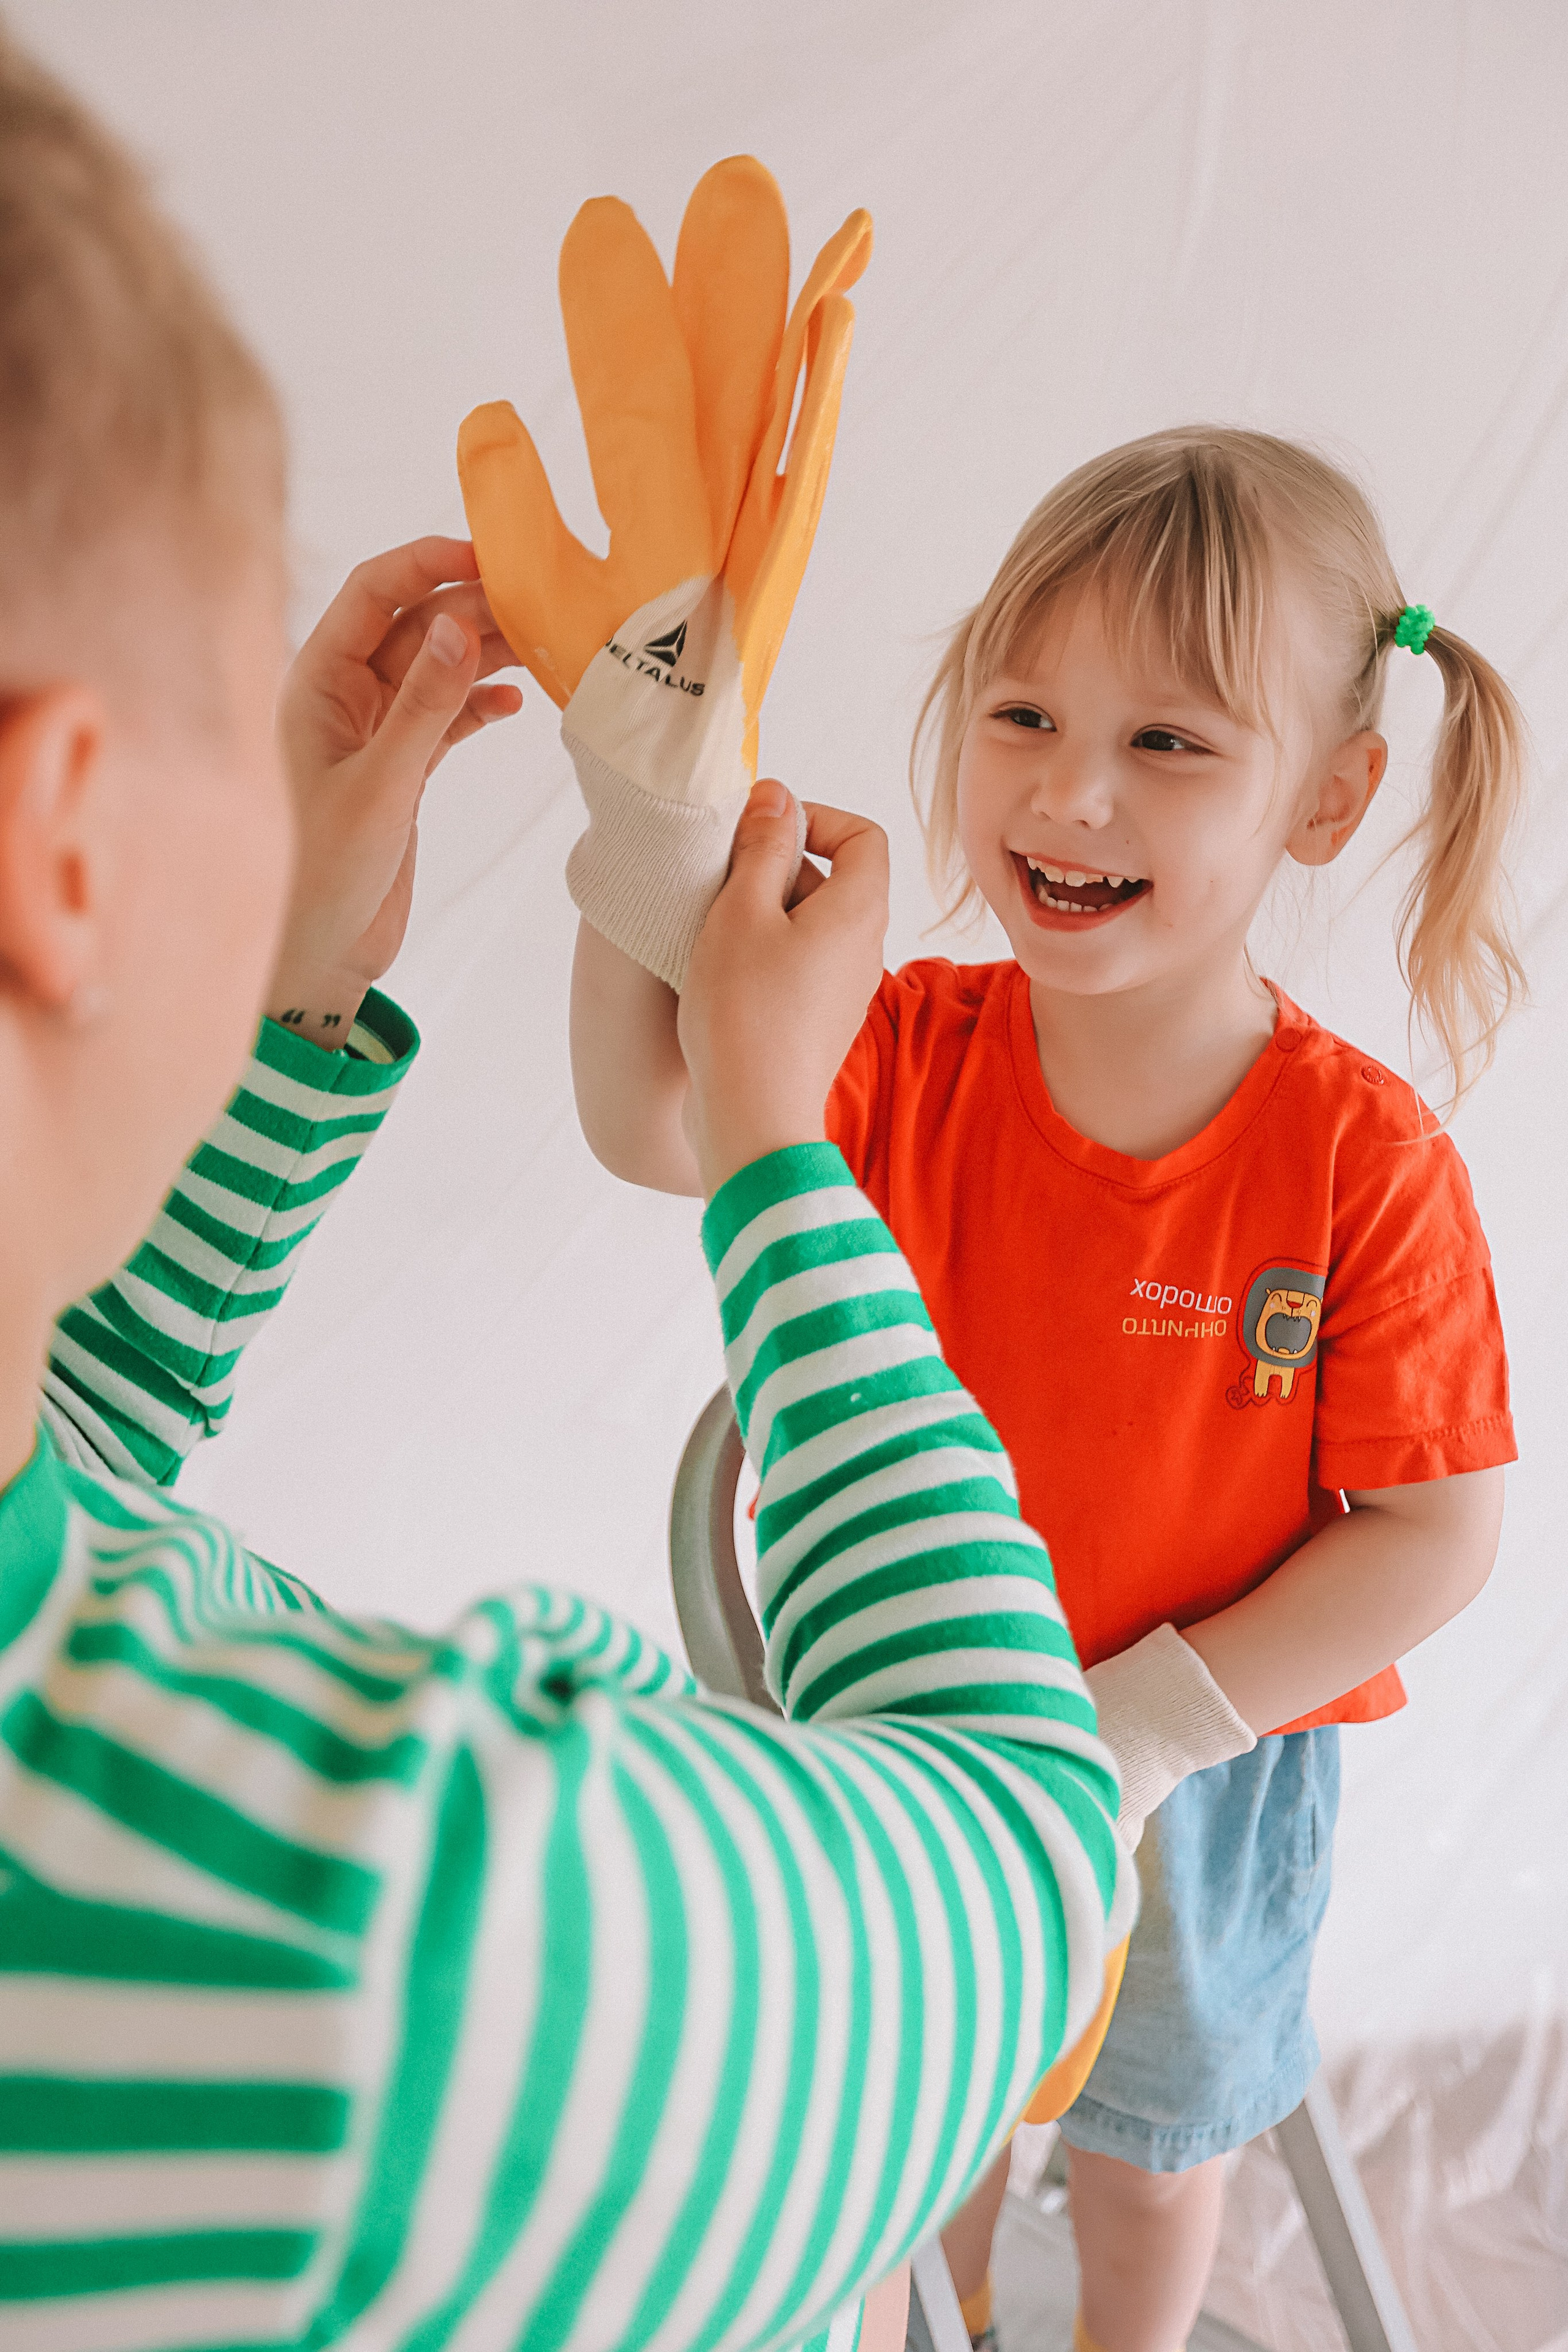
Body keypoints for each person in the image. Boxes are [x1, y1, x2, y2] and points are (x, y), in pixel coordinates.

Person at [0, 28, 1135, 2352]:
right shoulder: (373, 1966)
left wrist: (276, 1019)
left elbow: (70, 1458)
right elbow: (1027, 1869)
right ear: (68, 840)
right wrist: (782, 1158)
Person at [571, 428, 1522, 2352]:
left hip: (1193, 1780)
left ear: (1328, 802)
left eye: (1170, 745)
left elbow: (1436, 1537)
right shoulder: (906, 1045)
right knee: (926, 2131)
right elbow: (656, 1116)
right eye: (1023, 713)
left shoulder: (1364, 1159)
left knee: (1153, 2150)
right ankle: (962, 2316)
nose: (1071, 794)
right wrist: (643, 848)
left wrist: (1147, 1728)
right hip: (900, 1752)